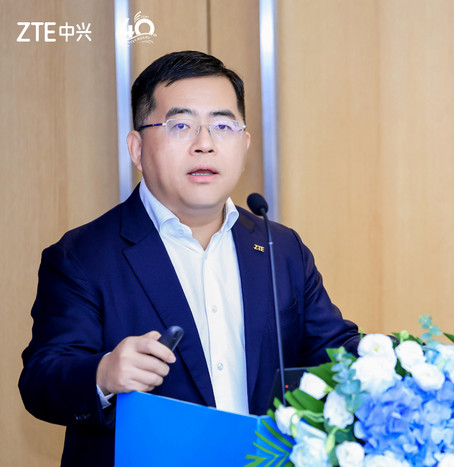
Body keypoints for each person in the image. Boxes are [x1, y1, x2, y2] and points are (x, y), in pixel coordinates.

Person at [18, 50, 361, 467]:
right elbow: (41, 380)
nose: (205, 144)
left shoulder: (281, 247)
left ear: (245, 143)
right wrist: (103, 374)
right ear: (137, 148)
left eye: (222, 125)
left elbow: (333, 353)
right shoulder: (82, 256)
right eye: (180, 125)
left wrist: (406, 363)